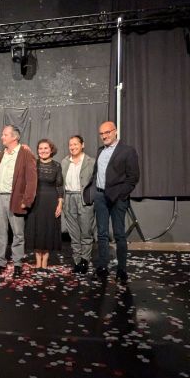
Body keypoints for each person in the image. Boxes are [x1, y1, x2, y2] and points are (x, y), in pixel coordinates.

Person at [91, 121, 140, 283]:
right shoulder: (100, 151)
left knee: (119, 234)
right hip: (100, 197)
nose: (104, 136)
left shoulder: (127, 151)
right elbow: (97, 173)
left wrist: (121, 195)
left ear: (115, 132)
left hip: (118, 199)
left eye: (107, 132)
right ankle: (103, 266)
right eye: (101, 134)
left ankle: (122, 269)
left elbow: (133, 178)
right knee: (102, 234)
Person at [0, 125, 37, 278]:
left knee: (18, 233)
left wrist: (26, 200)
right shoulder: (3, 153)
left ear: (14, 137)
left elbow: (32, 179)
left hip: (15, 198)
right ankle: (0, 261)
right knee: (0, 231)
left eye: (5, 135)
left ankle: (17, 263)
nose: (2, 137)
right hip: (0, 197)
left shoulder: (25, 153)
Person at [24, 139, 63, 272]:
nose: (43, 151)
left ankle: (45, 260)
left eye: (46, 148)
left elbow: (59, 186)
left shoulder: (57, 166)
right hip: (35, 201)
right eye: (40, 148)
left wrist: (60, 204)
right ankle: (37, 261)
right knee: (36, 229)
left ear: (51, 150)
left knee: (48, 229)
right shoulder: (33, 164)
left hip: (51, 200)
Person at [61, 135, 96, 274]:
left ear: (82, 145)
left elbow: (95, 182)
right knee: (74, 233)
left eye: (75, 144)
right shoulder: (65, 162)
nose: (73, 147)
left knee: (86, 232)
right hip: (69, 198)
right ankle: (77, 261)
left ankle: (85, 260)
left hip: (84, 198)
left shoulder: (91, 162)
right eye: (70, 145)